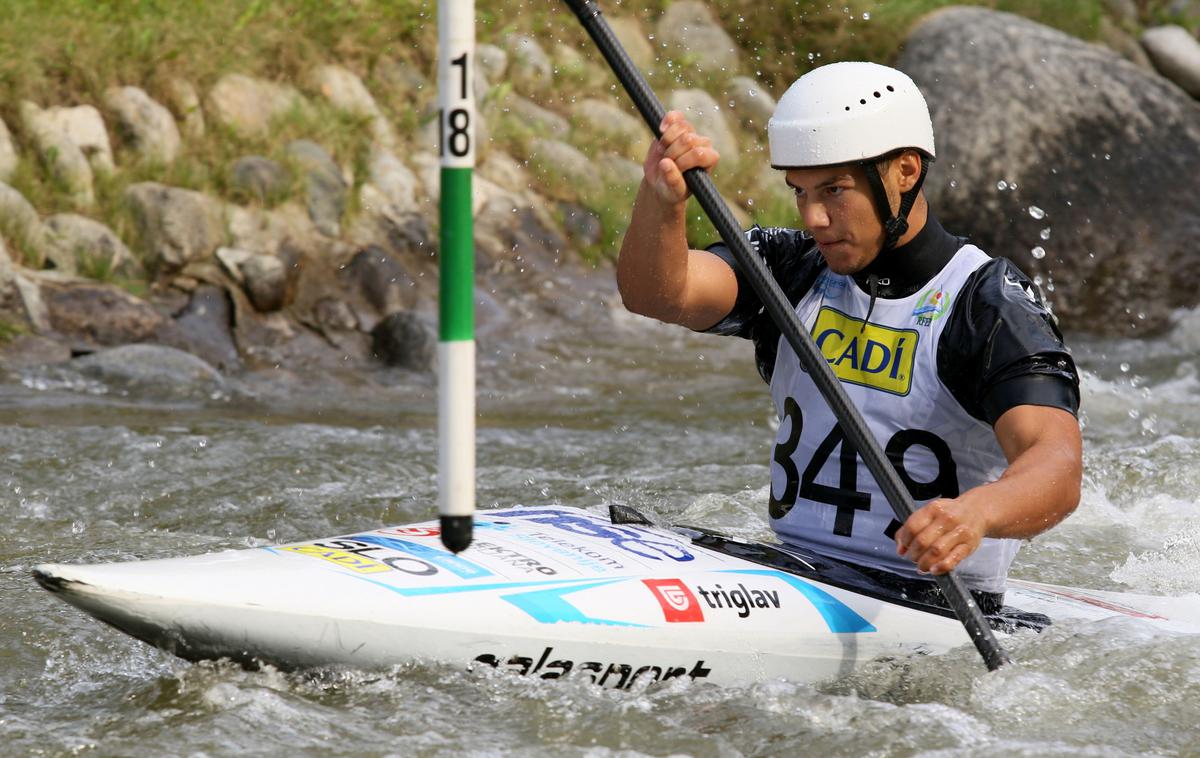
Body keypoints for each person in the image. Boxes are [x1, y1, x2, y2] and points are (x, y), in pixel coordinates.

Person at [617, 61, 1082, 612]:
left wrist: (978, 512)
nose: (814, 216)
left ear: (905, 172)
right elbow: (659, 294)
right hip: (794, 576)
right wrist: (661, 200)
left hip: (926, 601)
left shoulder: (986, 304)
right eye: (800, 192)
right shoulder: (792, 268)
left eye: (835, 190)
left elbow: (1056, 464)